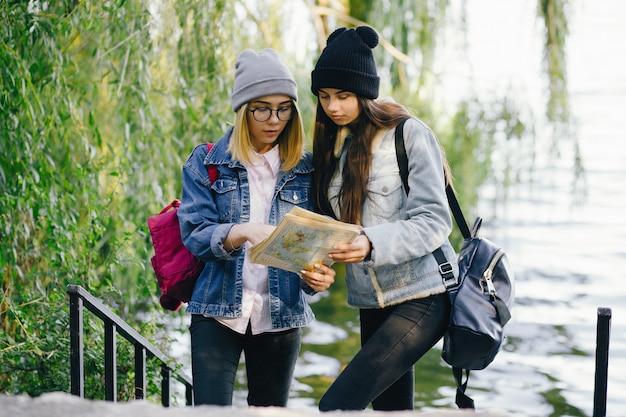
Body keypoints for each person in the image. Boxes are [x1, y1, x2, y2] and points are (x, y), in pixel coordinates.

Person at [309, 26, 459, 411]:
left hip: (422, 293)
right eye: (325, 96)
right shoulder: (334, 150)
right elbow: (330, 232)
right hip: (371, 302)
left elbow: (433, 221)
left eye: (343, 96)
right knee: (390, 411)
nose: (333, 106)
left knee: (337, 405)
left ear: (365, 92)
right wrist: (314, 273)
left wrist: (370, 243)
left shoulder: (408, 134)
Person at [177, 48, 336, 407]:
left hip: (280, 316)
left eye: (283, 108)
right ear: (243, 109)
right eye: (261, 108)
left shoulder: (308, 170)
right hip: (217, 310)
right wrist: (243, 231)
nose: (273, 119)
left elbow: (314, 249)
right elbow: (195, 234)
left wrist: (319, 278)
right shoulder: (206, 161)